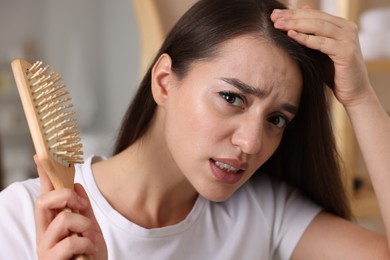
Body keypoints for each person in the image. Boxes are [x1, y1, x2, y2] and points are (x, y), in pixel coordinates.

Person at [1, 0, 389, 259]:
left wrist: (360, 98)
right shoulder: (19, 219)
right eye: (232, 98)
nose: (251, 143)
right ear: (165, 81)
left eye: (276, 120)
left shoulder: (263, 212)